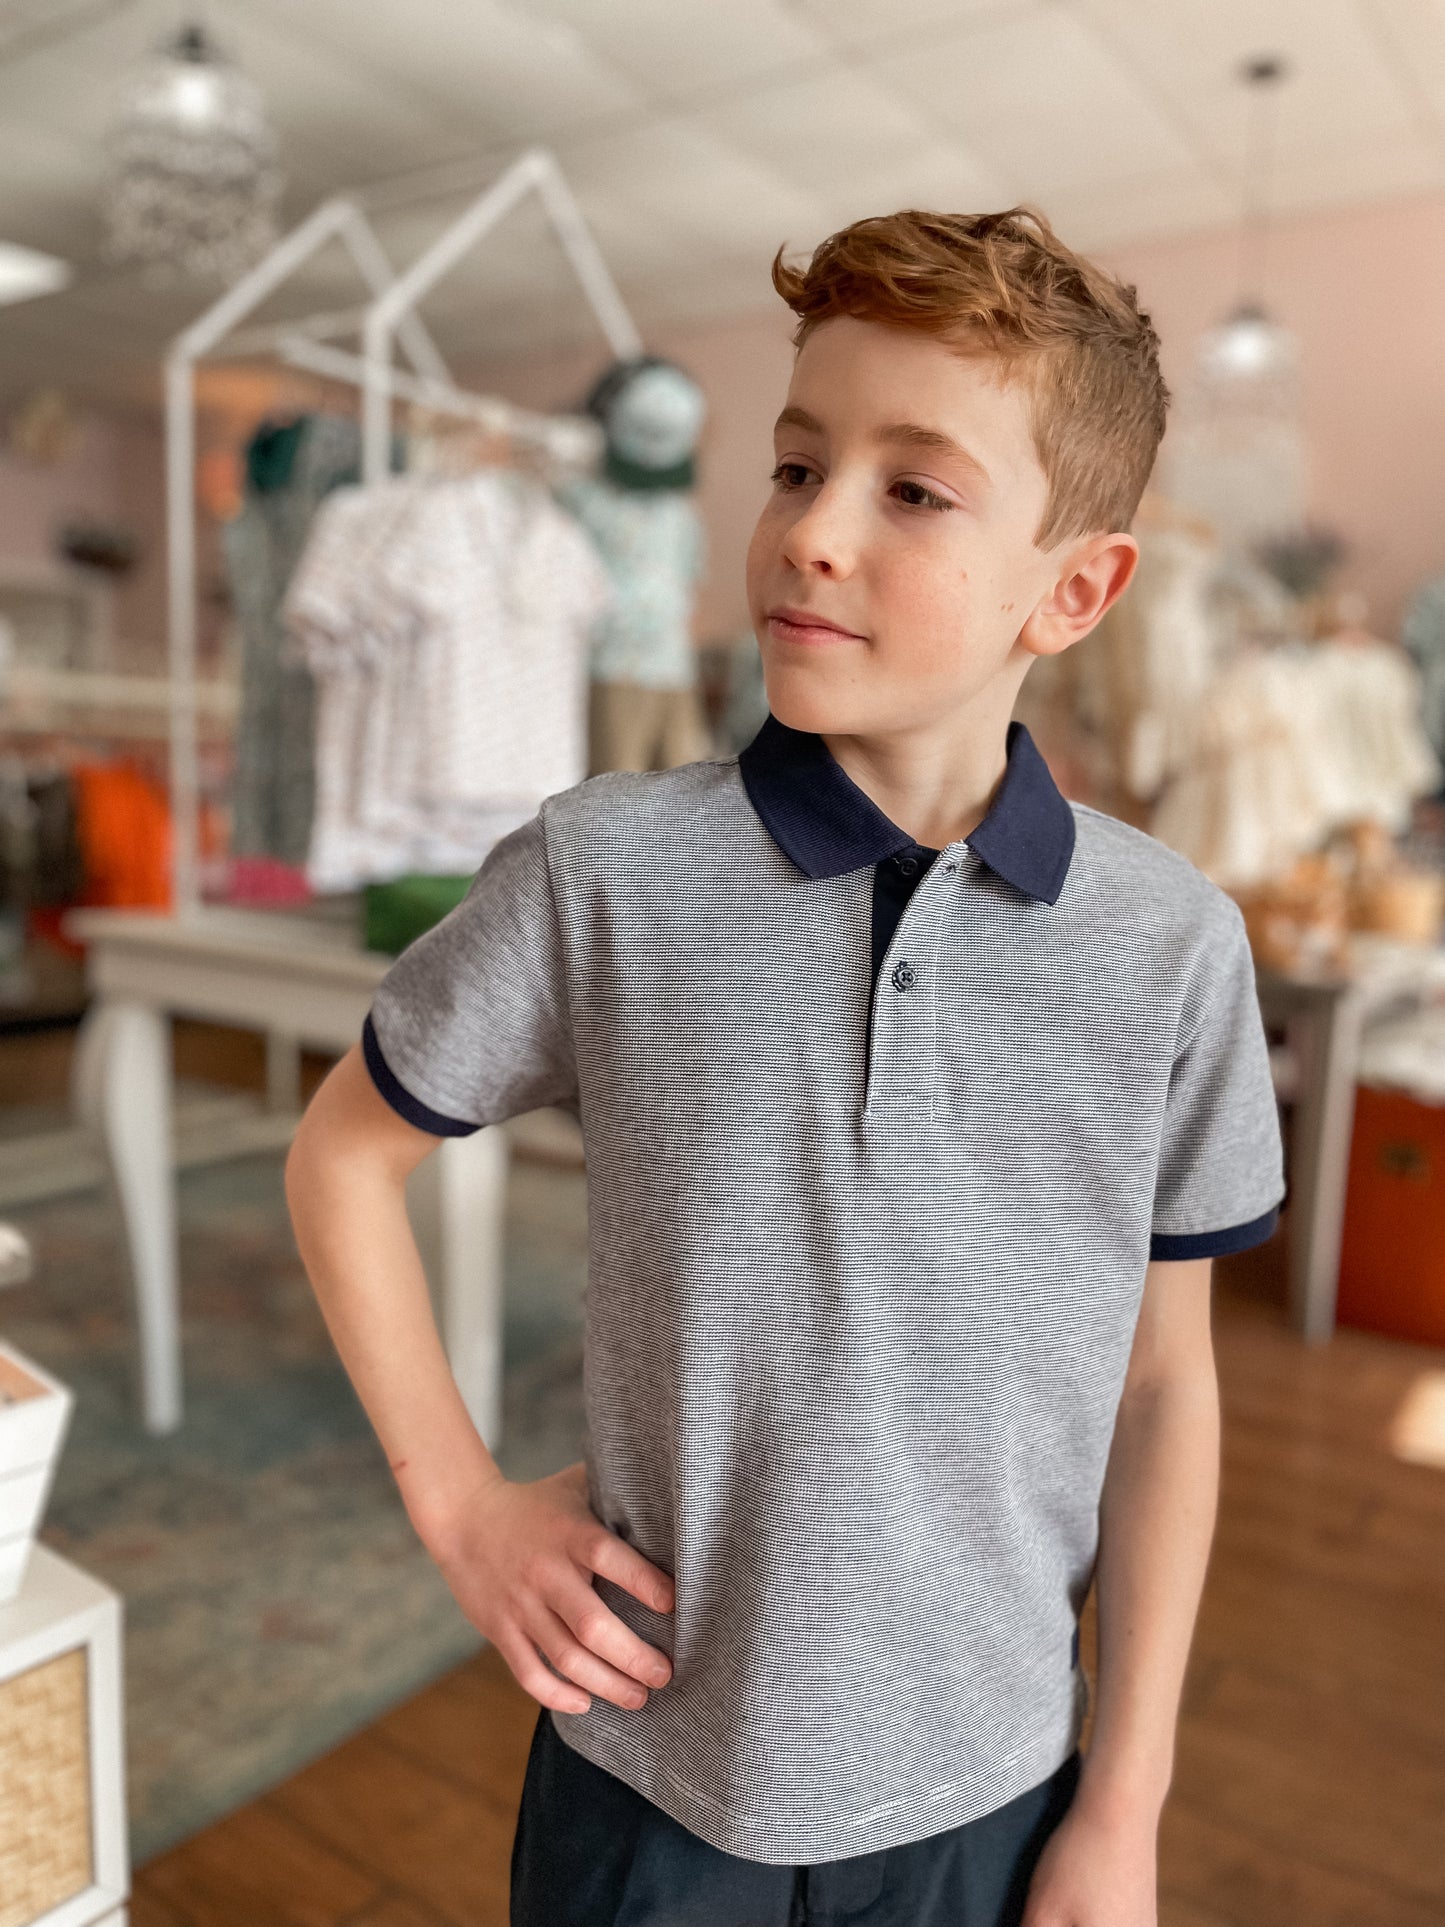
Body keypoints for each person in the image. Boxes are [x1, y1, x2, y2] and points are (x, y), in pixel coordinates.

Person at [285, 207, 1286, 1927]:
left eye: (911, 489)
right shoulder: (602, 870)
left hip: (993, 1792)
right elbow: (342, 1156)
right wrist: (457, 1505)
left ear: (1075, 587)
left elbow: (1161, 1388)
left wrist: (1121, 1812)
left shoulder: (1170, 947)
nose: (808, 534)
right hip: (645, 1779)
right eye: (793, 464)